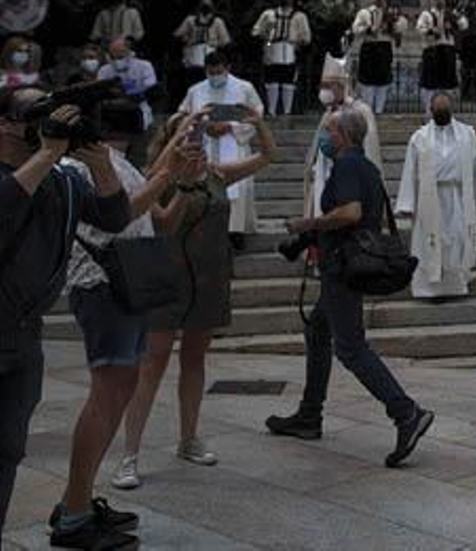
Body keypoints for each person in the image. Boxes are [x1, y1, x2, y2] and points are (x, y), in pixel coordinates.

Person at [265, 107, 435, 466]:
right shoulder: (365, 166)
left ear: (342, 136)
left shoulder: (347, 166)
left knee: (351, 347)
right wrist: (303, 242)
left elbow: (351, 213)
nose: (323, 138)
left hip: (342, 270)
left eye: (328, 131)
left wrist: (306, 223)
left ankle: (406, 412)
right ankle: (310, 414)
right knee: (317, 330)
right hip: (342, 264)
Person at [115, 108, 273, 488]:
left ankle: (189, 439)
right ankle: (128, 454)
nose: (194, 140)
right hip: (167, 279)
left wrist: (256, 121)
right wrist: (178, 138)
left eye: (198, 134)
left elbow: (268, 156)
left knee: (195, 360)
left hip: (209, 278)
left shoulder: (217, 173)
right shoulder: (160, 176)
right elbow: (150, 187)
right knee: (151, 367)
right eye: (187, 134)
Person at [0, 88, 131, 538]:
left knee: (8, 447)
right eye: (37, 113)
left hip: (23, 335)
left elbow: (115, 217)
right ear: (5, 124)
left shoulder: (62, 180)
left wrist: (99, 162)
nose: (52, 119)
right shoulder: (26, 173)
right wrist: (49, 151)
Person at [56, 101, 179, 535]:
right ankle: (74, 510)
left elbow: (149, 208)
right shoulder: (89, 165)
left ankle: (80, 498)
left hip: (121, 288)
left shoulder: (115, 163)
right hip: (103, 286)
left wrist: (173, 165)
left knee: (120, 386)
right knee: (107, 391)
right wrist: (168, 174)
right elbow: (119, 215)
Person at [396, 93, 476, 300]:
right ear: (431, 111)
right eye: (438, 111)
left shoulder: (467, 134)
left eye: (446, 111)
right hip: (429, 198)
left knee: (457, 239)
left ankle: (455, 286)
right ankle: (427, 289)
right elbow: (410, 171)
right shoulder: (420, 137)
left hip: (458, 196)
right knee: (430, 242)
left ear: (451, 111)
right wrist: (407, 203)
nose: (442, 115)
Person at [178, 50, 265, 244]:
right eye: (210, 72)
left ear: (228, 68)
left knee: (237, 187)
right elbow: (183, 116)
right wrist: (202, 126)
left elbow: (256, 115)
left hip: (234, 144)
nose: (214, 77)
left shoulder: (244, 88)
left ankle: (236, 231)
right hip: (205, 146)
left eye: (218, 72)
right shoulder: (196, 90)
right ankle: (207, 230)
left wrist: (230, 127)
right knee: (205, 186)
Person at [303, 56, 381, 225]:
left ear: (341, 86)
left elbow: (368, 148)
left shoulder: (361, 111)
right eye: (322, 86)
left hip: (351, 176)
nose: (323, 90)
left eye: (327, 86)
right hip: (325, 174)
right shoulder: (328, 112)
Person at [348, 0, 407, 114]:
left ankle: (379, 110)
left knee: (383, 82)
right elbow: (355, 28)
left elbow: (402, 27)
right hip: (369, 48)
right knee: (368, 82)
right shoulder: (365, 13)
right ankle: (367, 111)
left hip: (384, 47)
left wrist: (392, 26)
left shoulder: (392, 13)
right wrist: (369, 29)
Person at [251, 0, 312, 117]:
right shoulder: (268, 14)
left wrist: (298, 41)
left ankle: (287, 111)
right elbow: (255, 31)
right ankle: (272, 111)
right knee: (271, 81)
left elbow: (307, 37)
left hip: (290, 50)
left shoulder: (299, 16)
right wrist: (265, 31)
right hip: (271, 48)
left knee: (288, 82)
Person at [416, 0, 468, 110]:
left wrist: (457, 16)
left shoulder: (451, 14)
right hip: (432, 50)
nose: (440, 1)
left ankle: (446, 110)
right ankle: (429, 110)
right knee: (430, 83)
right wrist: (432, 31)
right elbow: (419, 28)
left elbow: (464, 25)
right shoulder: (427, 14)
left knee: (447, 83)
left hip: (448, 50)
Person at [97, 37, 158, 130]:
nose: (117, 57)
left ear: (129, 51)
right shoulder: (104, 70)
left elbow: (150, 89)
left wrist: (129, 91)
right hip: (111, 113)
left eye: (121, 53)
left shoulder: (145, 66)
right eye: (114, 53)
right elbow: (100, 93)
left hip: (138, 111)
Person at [173, 0, 231, 94]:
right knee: (192, 85)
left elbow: (226, 41)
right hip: (192, 58)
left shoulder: (217, 22)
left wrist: (213, 44)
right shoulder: (190, 20)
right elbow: (177, 35)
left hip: (210, 58)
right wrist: (186, 39)